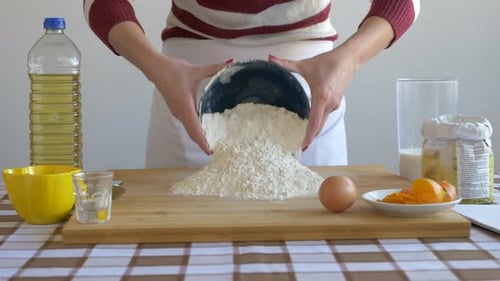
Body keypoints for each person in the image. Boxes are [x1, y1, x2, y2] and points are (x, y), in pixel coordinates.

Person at [83, 0, 420, 168]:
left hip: (311, 75)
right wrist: (155, 67)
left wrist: (350, 59)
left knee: (312, 241)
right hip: (188, 80)